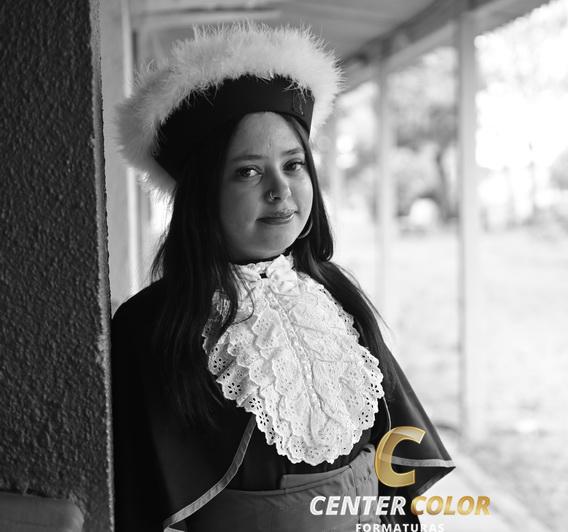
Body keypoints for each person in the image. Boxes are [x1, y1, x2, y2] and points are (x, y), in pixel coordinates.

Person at [111, 24, 455, 532]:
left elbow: (393, 476)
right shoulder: (149, 325)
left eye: (293, 165)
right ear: (202, 194)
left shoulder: (335, 294)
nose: (280, 190)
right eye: (248, 171)